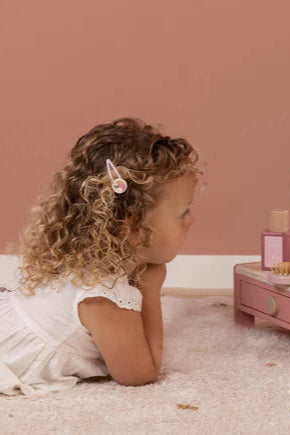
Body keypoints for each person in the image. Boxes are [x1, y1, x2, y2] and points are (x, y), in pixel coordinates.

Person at [0, 118, 202, 396]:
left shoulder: (80, 254)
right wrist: (151, 289)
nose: (191, 221)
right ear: (130, 227)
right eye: (182, 213)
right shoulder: (103, 296)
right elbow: (139, 374)